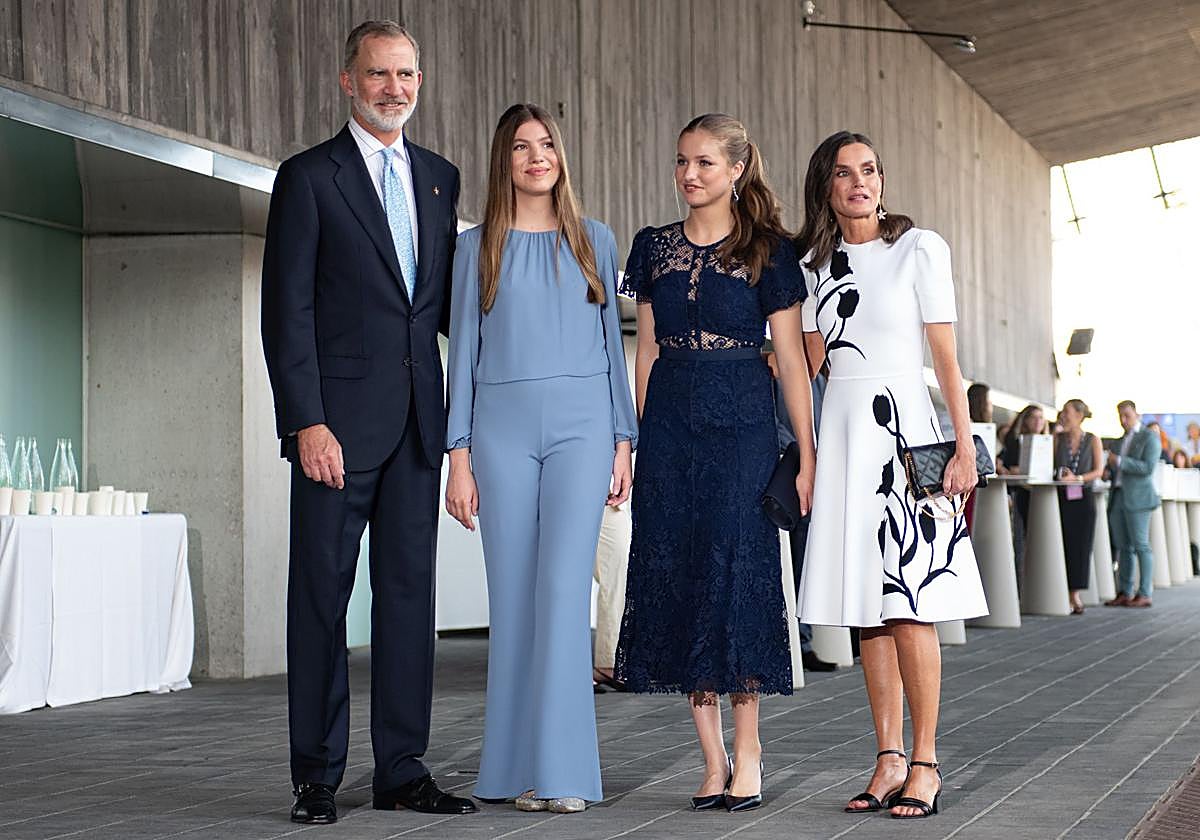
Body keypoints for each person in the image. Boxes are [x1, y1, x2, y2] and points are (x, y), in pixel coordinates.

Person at [261, 21, 473, 824]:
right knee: (321, 596)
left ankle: (402, 768)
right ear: (348, 81)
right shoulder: (309, 178)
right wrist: (305, 423)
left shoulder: (440, 179)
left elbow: (443, 309)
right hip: (336, 436)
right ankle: (316, 777)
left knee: (410, 599)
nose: (395, 88)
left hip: (420, 424)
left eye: (407, 74)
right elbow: (288, 313)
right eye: (379, 74)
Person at [614, 113, 815, 814]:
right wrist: (634, 441)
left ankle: (750, 747)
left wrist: (806, 454)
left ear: (735, 169)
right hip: (670, 424)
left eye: (703, 162)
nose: (689, 174)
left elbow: (790, 360)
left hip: (742, 427)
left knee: (737, 574)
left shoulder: (770, 250)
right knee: (678, 571)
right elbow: (643, 351)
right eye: (681, 162)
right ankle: (709, 757)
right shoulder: (652, 247)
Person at [444, 103, 637, 813]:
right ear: (505, 160)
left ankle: (562, 775)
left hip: (585, 430)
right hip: (500, 431)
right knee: (515, 601)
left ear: (561, 155)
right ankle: (513, 770)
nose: (536, 157)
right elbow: (462, 353)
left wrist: (624, 439)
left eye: (546, 144)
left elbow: (613, 346)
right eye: (522, 147)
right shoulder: (474, 248)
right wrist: (457, 454)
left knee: (562, 595)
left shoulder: (595, 241)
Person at [794, 131, 988, 820]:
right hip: (845, 438)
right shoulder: (812, 265)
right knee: (867, 612)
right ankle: (886, 757)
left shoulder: (919, 248)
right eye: (845, 174)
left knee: (910, 604)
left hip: (907, 433)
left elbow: (946, 359)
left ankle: (928, 760)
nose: (860, 183)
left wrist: (963, 446)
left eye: (870, 170)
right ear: (826, 186)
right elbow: (806, 366)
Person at [765, 345, 837, 672]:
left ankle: (803, 638)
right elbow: (769, 420)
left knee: (807, 561)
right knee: (789, 562)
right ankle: (792, 641)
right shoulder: (776, 367)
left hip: (817, 479)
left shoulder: (821, 380)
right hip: (786, 475)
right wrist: (799, 452)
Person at [1105, 400, 1162, 608]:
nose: (1123, 420)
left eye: (1127, 415)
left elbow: (1147, 468)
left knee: (1141, 545)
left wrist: (1120, 462)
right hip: (1118, 495)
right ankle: (1125, 591)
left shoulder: (1149, 438)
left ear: (1137, 414)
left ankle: (1145, 592)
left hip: (1139, 498)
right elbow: (1113, 467)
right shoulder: (1119, 441)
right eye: (1120, 416)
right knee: (1123, 547)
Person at [1053, 399, 1105, 614]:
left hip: (1083, 498)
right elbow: (1047, 464)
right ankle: (1062, 591)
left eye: (1067, 412)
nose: (1063, 416)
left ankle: (1075, 593)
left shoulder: (1093, 439)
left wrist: (1079, 478)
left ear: (1079, 415)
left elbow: (1099, 470)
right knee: (1061, 543)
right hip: (1061, 497)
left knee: (1081, 547)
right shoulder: (1057, 438)